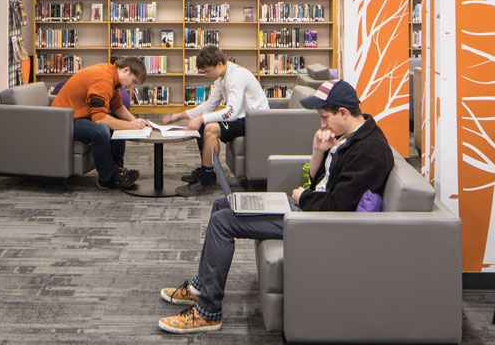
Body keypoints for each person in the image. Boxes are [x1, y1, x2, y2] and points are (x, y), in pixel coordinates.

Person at [156, 80, 393, 333]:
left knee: (223, 222)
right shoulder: (351, 136)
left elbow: (337, 206)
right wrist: (318, 151)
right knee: (222, 203)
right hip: (307, 210)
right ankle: (201, 287)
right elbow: (319, 182)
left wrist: (303, 199)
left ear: (343, 112)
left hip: (315, 223)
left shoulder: (369, 151)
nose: (322, 124)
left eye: (325, 117)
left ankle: (208, 312)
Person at [161, 45, 269, 196]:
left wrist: (201, 118)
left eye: (207, 71)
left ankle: (205, 181)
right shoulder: (221, 78)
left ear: (219, 64)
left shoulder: (236, 77)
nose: (205, 74)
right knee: (202, 125)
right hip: (242, 117)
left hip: (255, 120)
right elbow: (210, 106)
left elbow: (231, 112)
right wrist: (180, 116)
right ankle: (208, 171)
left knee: (210, 129)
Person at [52, 57, 150, 189]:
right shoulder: (103, 79)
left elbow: (118, 107)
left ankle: (117, 170)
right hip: (64, 120)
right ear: (126, 70)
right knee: (101, 131)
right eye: (133, 81)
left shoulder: (112, 77)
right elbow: (99, 118)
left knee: (118, 123)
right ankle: (107, 179)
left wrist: (135, 121)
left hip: (80, 116)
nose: (131, 86)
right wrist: (129, 125)